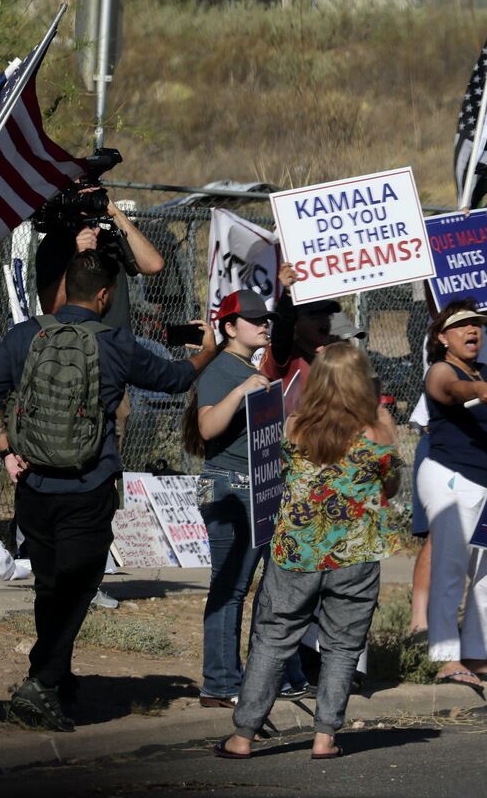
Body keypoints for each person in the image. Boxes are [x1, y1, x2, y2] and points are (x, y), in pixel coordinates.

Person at [0, 251, 213, 731]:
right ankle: (41, 684)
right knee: (77, 590)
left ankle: (54, 680)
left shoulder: (26, 336)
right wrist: (204, 351)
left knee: (48, 587)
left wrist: (6, 453)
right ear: (104, 295)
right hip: (89, 484)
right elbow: (175, 379)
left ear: (64, 289)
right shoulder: (116, 344)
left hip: (34, 485)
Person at [217, 343, 399, 761]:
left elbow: (285, 471)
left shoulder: (295, 424)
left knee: (273, 639)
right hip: (355, 552)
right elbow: (390, 487)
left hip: (297, 549)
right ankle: (325, 737)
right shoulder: (378, 426)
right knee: (341, 647)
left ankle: (243, 736)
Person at [181, 286, 305, 708]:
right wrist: (242, 392)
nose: (263, 326)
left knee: (273, 587)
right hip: (229, 486)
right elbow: (208, 429)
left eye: (265, 320)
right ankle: (219, 683)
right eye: (254, 320)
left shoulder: (248, 369)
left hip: (262, 486)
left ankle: (276, 676)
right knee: (230, 589)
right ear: (230, 327)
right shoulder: (222, 370)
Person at [416, 301, 487, 687]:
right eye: (462, 326)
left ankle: (475, 654)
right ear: (443, 338)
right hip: (450, 478)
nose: (473, 331)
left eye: (476, 325)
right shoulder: (442, 369)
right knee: (452, 568)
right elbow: (454, 389)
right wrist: (478, 389)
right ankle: (445, 658)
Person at [34, 183, 165, 335]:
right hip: (77, 350)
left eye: (92, 189)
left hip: (117, 347)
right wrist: (78, 256)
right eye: (81, 191)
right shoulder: (54, 243)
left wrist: (115, 213)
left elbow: (154, 265)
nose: (88, 195)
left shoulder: (110, 239)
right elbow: (53, 309)